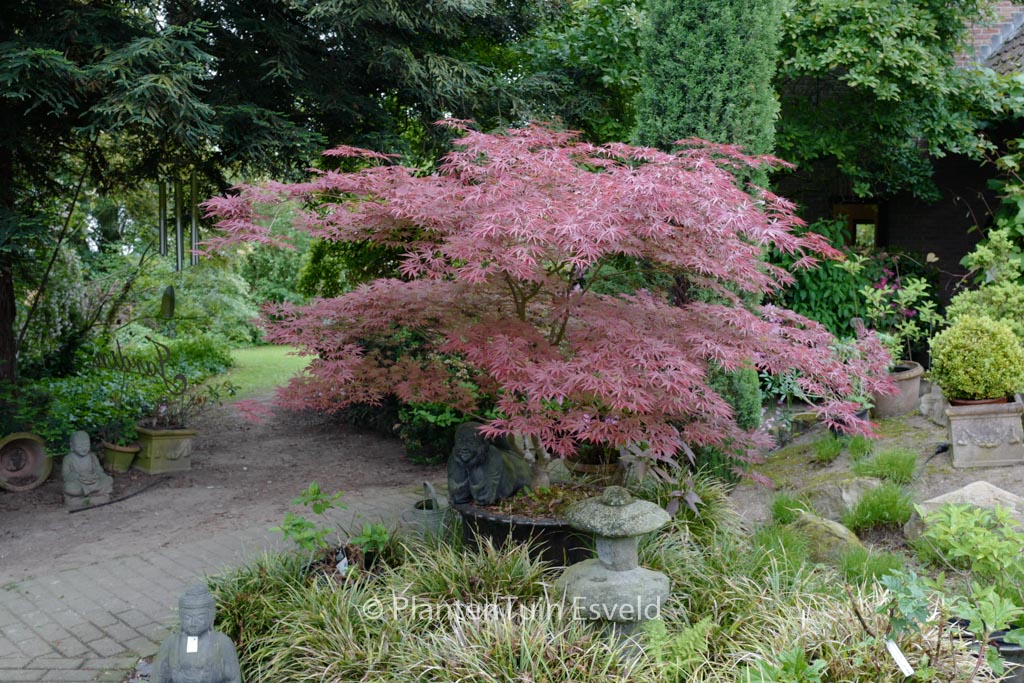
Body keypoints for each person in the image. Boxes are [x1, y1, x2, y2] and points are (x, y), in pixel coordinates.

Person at [153, 585, 242, 683]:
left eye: (200, 618)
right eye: (187, 618)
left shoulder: (222, 643)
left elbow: (234, 678)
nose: (193, 623)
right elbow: (158, 676)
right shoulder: (171, 643)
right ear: (181, 616)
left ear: (211, 615)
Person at [61, 431, 112, 499]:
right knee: (68, 487)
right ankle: (96, 493)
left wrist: (96, 475)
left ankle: (89, 493)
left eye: (87, 445)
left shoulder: (92, 456)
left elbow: (98, 469)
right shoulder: (68, 458)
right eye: (80, 446)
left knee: (109, 479)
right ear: (72, 446)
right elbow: (66, 475)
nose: (84, 448)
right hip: (79, 483)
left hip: (94, 481)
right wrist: (79, 476)